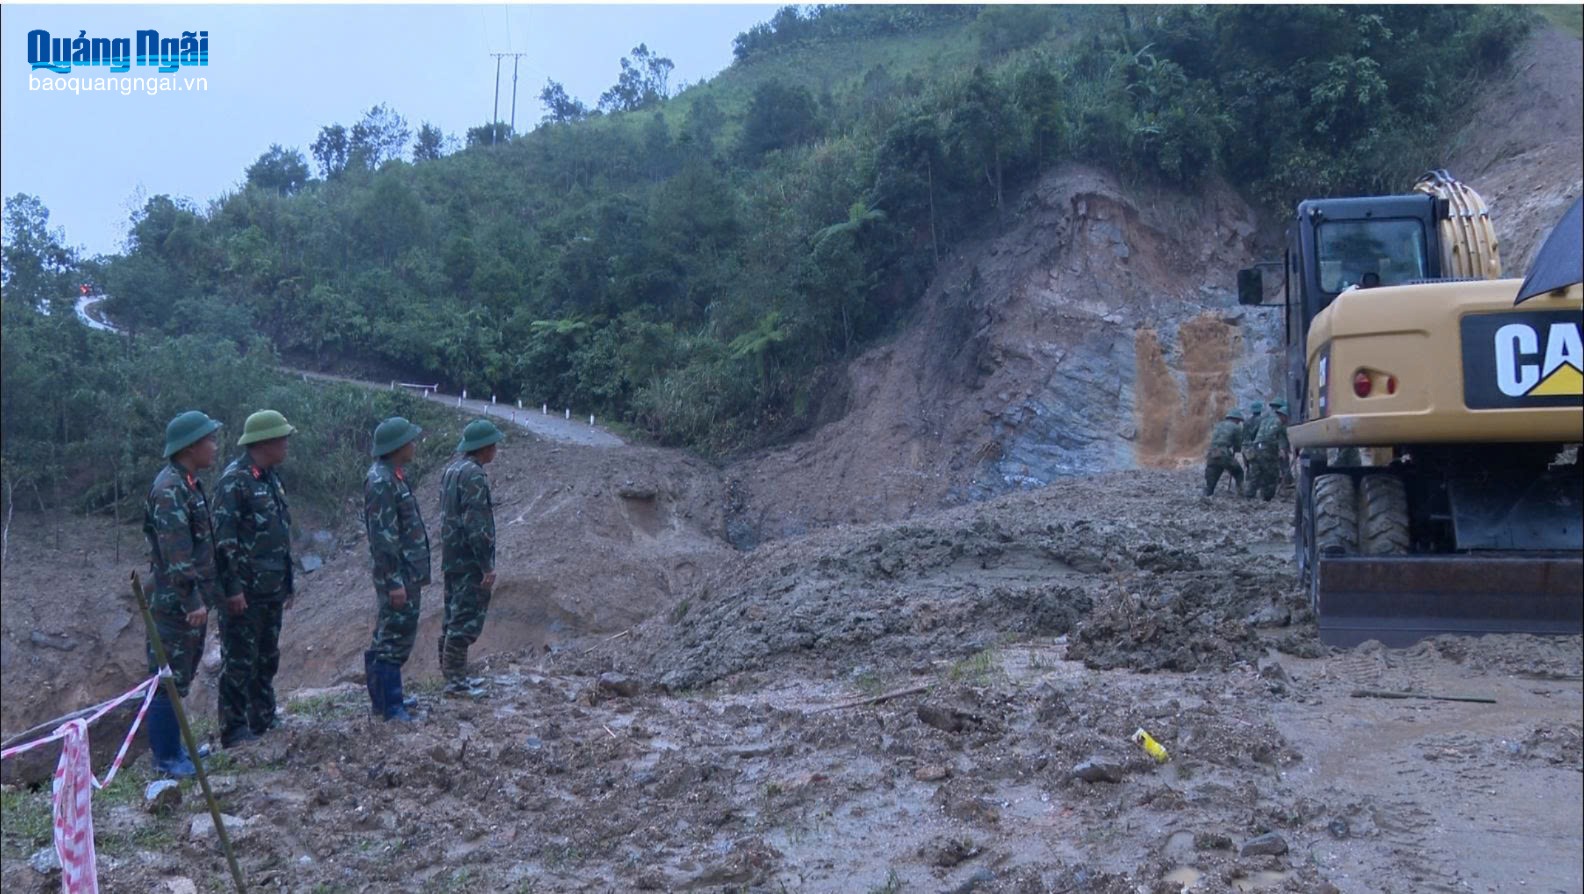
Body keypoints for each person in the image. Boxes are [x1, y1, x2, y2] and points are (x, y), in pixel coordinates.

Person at [143, 410, 225, 777]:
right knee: (166, 680)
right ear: (191, 447)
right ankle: (166, 759)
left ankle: (177, 751)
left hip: (188, 602)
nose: (215, 446)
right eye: (210, 440)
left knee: (181, 677)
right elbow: (176, 551)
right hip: (174, 604)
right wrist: (191, 598)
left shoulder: (188, 482)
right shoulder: (170, 489)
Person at [213, 410, 297, 748]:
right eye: (283, 438)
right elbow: (224, 542)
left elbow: (279, 535)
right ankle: (234, 730)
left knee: (266, 656)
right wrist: (232, 589)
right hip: (244, 593)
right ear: (265, 442)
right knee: (239, 661)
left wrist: (287, 583)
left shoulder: (270, 477)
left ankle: (262, 717)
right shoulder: (235, 481)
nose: (287, 444)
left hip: (270, 589)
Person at [363, 416, 431, 722]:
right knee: (392, 639)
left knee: (390, 636)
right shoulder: (381, 481)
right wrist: (393, 582)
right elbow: (383, 537)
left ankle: (386, 700)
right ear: (397, 446)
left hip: (406, 572)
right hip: (398, 574)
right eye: (409, 440)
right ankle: (390, 707)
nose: (414, 444)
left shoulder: (393, 476)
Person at [438, 420, 504, 698]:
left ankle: (452, 676)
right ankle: (456, 681)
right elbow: (476, 524)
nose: (496, 449)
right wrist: (486, 566)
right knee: (464, 620)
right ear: (485, 447)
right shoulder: (474, 476)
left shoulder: (452, 470)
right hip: (469, 561)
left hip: (452, 557)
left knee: (452, 616)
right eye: (494, 445)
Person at [1247, 399, 1291, 502]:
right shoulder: (1280, 422)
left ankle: (1249, 495)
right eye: (1287, 418)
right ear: (1283, 415)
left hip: (1256, 446)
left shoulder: (1264, 418)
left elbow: (1254, 432)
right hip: (1268, 450)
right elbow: (1281, 437)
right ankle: (1267, 497)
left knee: (1256, 472)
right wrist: (1282, 449)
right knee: (1271, 474)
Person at [1203, 408, 1245, 497]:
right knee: (1238, 472)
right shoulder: (1236, 427)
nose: (1239, 422)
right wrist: (1237, 450)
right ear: (1236, 419)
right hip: (1224, 453)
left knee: (1213, 474)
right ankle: (1241, 492)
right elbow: (1238, 443)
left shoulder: (1218, 425)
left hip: (1211, 452)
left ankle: (1208, 493)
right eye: (1238, 421)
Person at [1241, 401, 1264, 468]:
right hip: (1258, 447)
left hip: (1246, 448)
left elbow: (1243, 436)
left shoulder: (1246, 422)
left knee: (1249, 469)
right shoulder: (1262, 420)